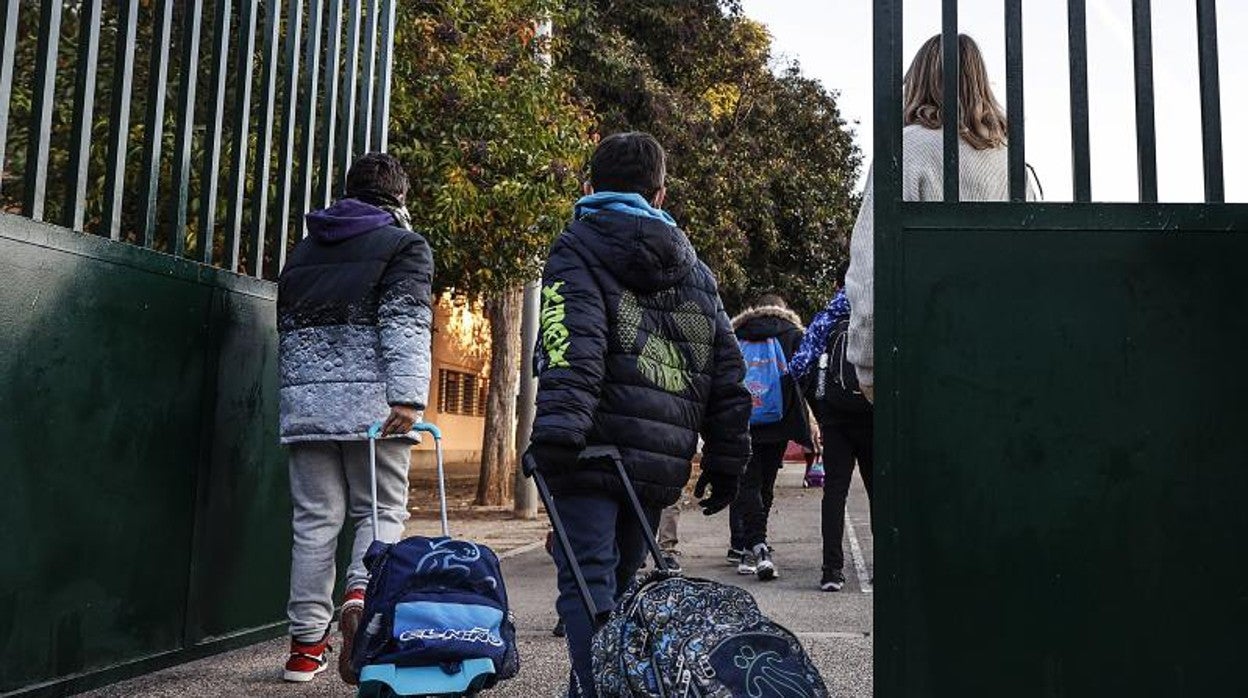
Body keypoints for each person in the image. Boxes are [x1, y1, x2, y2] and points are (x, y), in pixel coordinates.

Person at [524, 131, 752, 698]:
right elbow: (726, 366)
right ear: (661, 194)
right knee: (622, 584)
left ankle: (600, 687)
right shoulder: (694, 269)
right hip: (658, 462)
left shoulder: (576, 246)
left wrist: (556, 433)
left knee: (586, 580)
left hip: (587, 445)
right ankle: (607, 683)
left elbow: (571, 340)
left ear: (588, 187)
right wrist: (727, 457)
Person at [276, 153, 433, 684]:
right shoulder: (404, 246)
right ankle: (362, 596)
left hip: (307, 407)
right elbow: (406, 323)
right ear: (399, 199)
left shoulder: (303, 250)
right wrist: (408, 398)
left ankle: (304, 650)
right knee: (383, 508)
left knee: (314, 524)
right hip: (376, 409)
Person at [846, 33, 1037, 403]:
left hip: (921, 361)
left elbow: (871, 268)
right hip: (1004, 359)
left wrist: (868, 365)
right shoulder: (1013, 162)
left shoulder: (906, 147)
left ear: (917, 79)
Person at [791, 261, 873, 592]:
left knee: (834, 493)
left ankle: (831, 570)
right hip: (872, 415)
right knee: (878, 493)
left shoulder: (828, 316)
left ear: (839, 282)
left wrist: (819, 406)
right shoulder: (874, 313)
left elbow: (799, 366)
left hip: (836, 420)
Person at [728, 294, 812, 581]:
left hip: (742, 419)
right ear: (781, 308)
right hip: (778, 421)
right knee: (766, 485)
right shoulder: (791, 333)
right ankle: (759, 544)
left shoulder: (736, 332)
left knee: (747, 484)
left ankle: (752, 545)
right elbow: (804, 373)